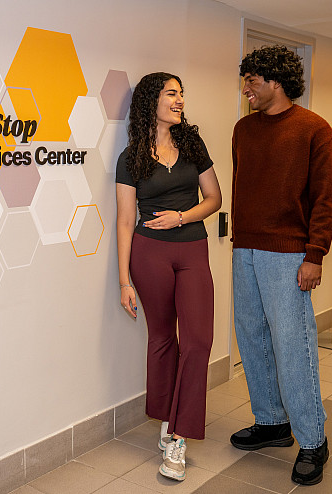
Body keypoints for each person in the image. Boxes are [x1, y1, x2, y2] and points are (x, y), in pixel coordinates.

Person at [229, 45, 332, 486]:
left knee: (293, 346)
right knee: (252, 338)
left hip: (290, 253)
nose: (246, 89)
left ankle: (313, 440)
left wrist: (315, 254)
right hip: (246, 250)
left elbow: (325, 199)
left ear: (276, 81)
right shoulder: (242, 129)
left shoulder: (314, 129)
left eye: (252, 80)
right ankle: (273, 422)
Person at [116, 72, 221, 482]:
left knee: (197, 341)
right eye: (172, 93)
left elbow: (214, 198)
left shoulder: (193, 144)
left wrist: (182, 216)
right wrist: (124, 280)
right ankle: (166, 416)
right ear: (151, 102)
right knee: (161, 338)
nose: (179, 100)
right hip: (149, 254)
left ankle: (178, 436)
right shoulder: (131, 158)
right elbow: (126, 220)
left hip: (192, 247)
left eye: (181, 94)